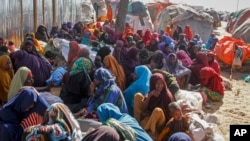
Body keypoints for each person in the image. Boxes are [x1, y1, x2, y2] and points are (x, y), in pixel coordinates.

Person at [134, 73, 175, 139]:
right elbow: (143, 108)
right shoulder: (151, 91)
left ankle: (146, 130)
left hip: (161, 122)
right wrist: (150, 95)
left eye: (161, 83)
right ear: (153, 84)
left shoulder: (167, 95)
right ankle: (137, 122)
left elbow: (170, 115)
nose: (160, 86)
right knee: (138, 96)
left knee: (157, 110)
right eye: (157, 83)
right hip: (150, 116)